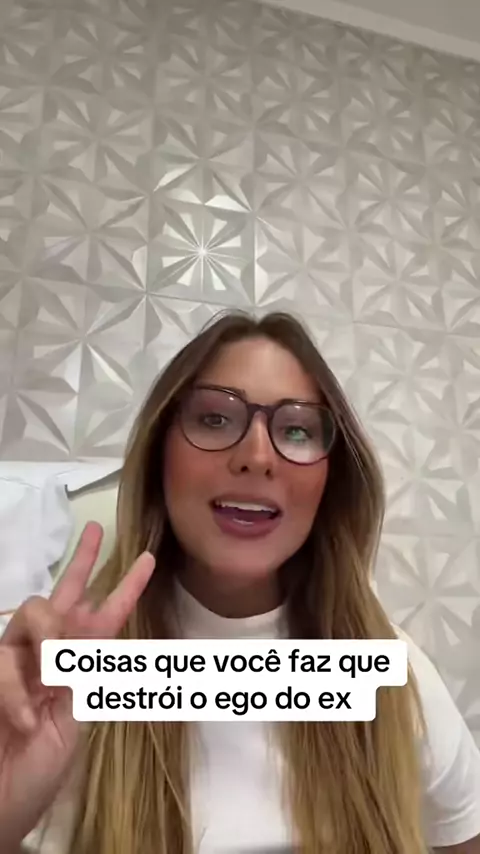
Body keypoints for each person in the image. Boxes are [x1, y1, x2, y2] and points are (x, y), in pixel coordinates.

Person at [1, 310, 479, 854]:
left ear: (331, 481)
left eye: (296, 429)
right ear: (160, 457)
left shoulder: (395, 676)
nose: (256, 457)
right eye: (214, 419)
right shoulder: (52, 683)